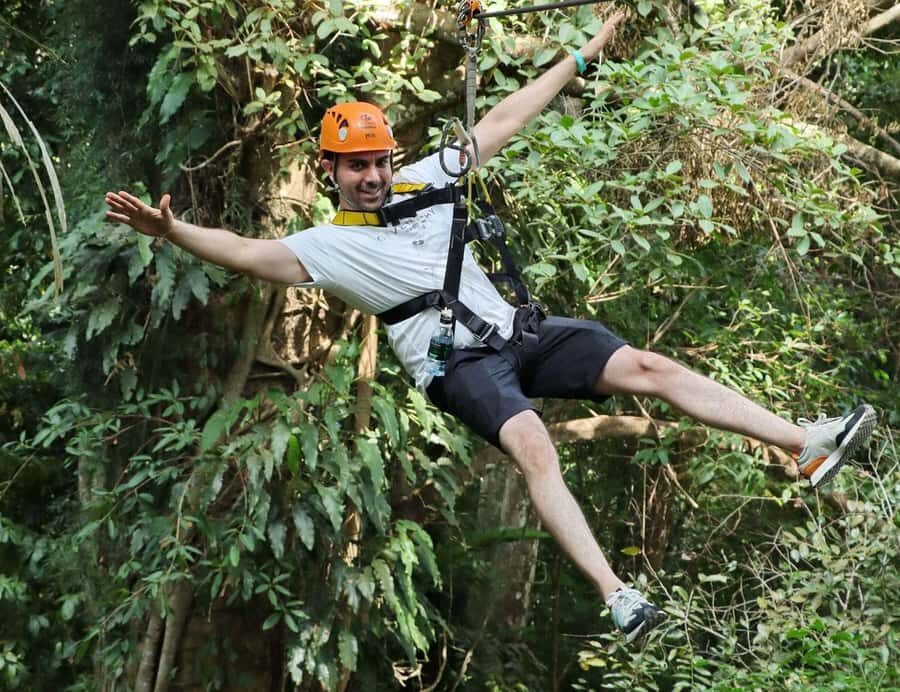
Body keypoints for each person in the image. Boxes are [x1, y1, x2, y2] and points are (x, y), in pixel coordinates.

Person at [105, 12, 876, 644]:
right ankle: (617, 596)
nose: (371, 176)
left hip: (518, 330)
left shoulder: (428, 178)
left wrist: (581, 52)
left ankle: (803, 442)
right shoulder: (323, 247)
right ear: (329, 169)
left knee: (649, 368)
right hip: (458, 367)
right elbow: (243, 252)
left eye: (378, 161)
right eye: (353, 166)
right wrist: (174, 233)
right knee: (533, 443)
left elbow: (509, 114)